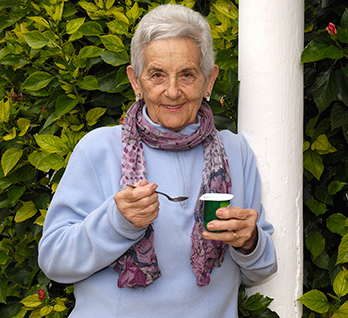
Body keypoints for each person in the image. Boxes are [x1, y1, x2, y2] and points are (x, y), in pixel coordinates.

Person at [38, 4, 277, 317]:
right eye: (157, 75)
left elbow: (262, 268)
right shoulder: (99, 149)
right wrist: (116, 222)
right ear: (136, 81)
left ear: (210, 80)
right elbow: (55, 261)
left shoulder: (235, 152)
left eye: (188, 75)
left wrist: (250, 242)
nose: (173, 91)